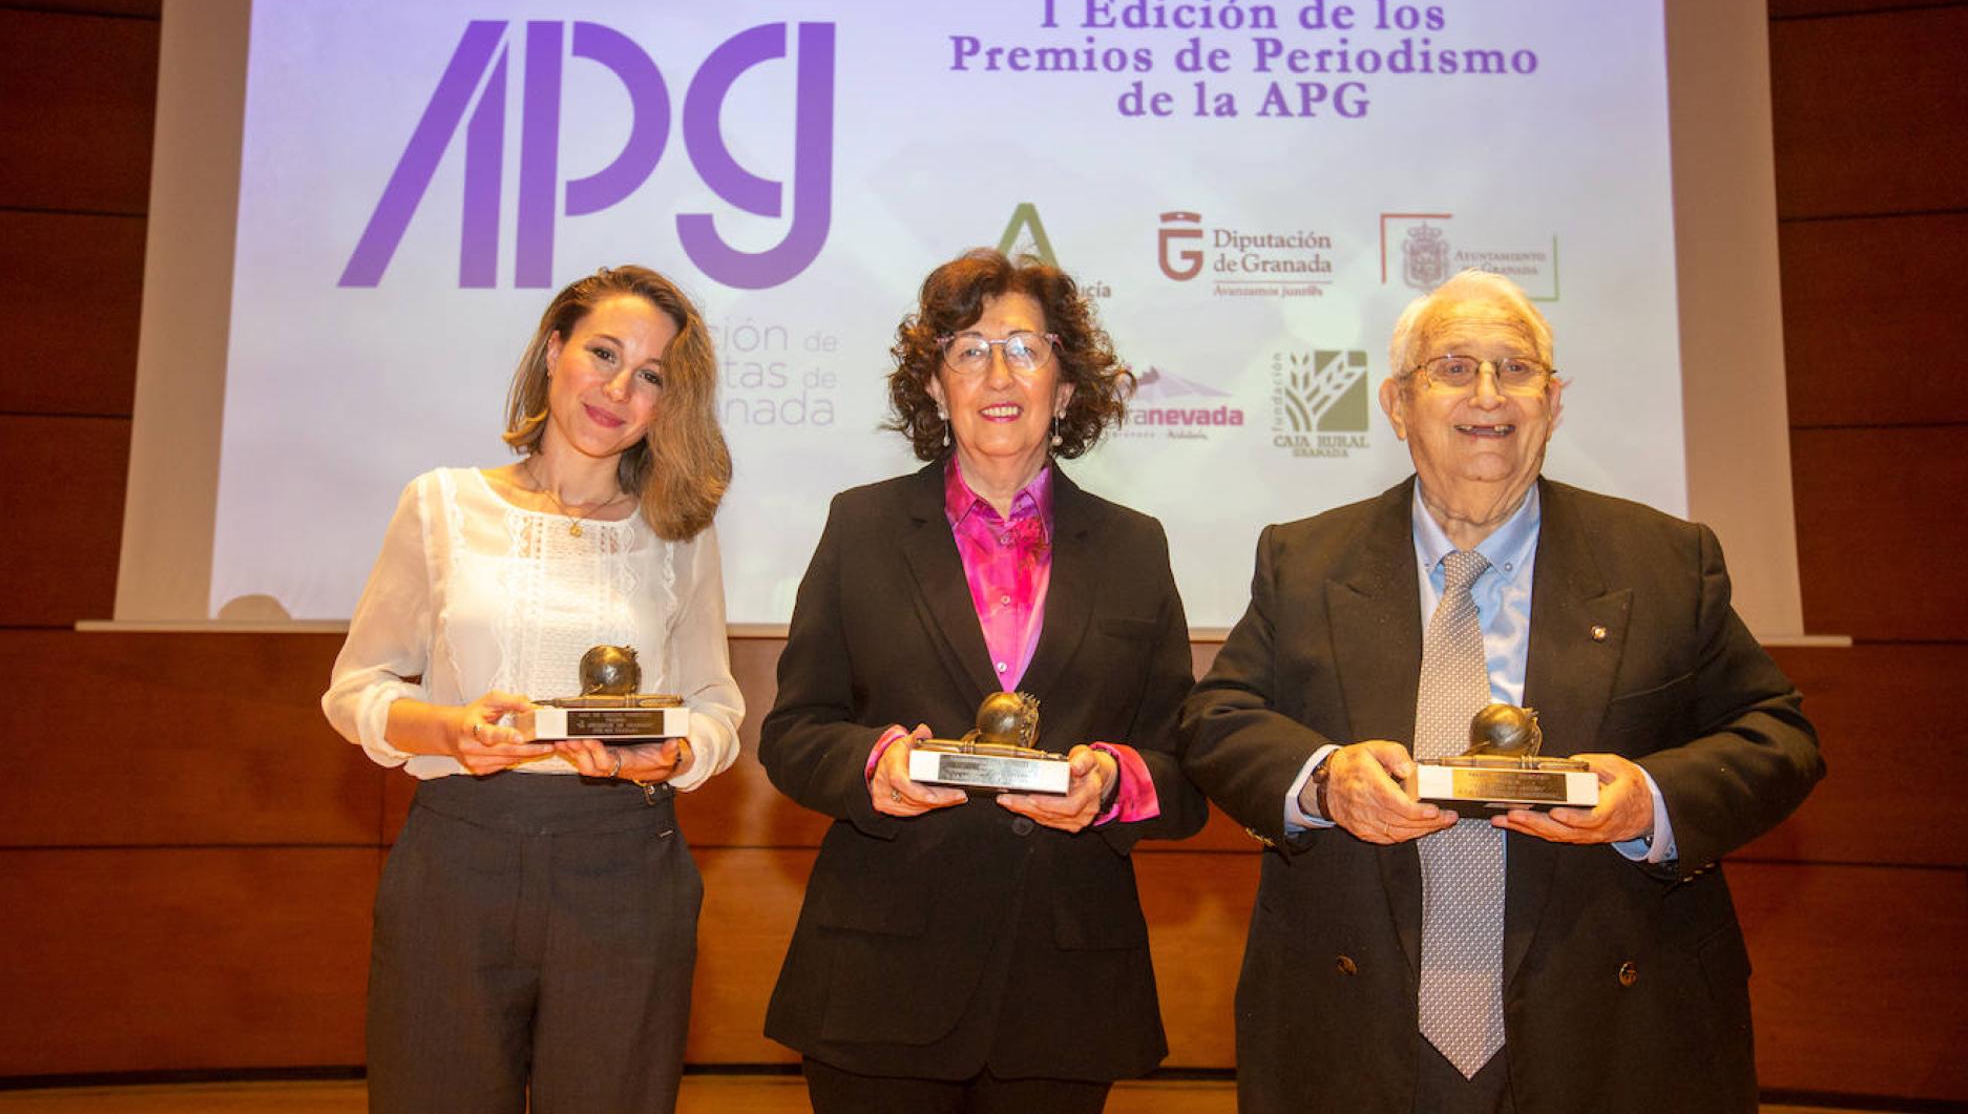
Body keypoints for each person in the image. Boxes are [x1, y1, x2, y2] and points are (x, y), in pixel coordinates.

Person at [1178, 270, 1824, 1114]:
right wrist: (1326, 781)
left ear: (1552, 404)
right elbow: (1218, 721)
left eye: (1516, 369)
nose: (1489, 394)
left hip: (1613, 1030)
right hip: (1356, 1028)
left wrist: (1649, 801)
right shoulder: (1305, 561)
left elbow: (1779, 735)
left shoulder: (1665, 561)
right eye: (1453, 367)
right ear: (1397, 403)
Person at [759, 249, 1208, 1113]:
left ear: (1067, 386)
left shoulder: (1134, 546)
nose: (996, 372)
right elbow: (795, 732)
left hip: (1066, 987)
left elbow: (1186, 766)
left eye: (1025, 349)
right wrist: (875, 764)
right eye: (966, 349)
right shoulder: (861, 527)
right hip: (879, 977)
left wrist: (1115, 782)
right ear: (934, 387)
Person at [321, 265, 743, 1114]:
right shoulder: (439, 505)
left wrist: (668, 753)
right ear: (554, 351)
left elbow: (716, 705)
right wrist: (450, 730)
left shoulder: (678, 532)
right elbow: (354, 688)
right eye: (604, 353)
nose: (620, 388)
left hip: (625, 865)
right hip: (458, 858)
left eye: (652, 376)